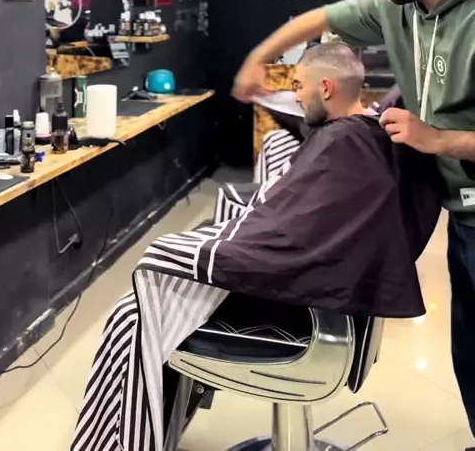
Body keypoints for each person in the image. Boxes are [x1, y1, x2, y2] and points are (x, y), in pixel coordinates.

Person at [72, 43, 440, 451]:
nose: (295, 97)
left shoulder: (344, 144)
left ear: (326, 88)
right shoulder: (359, 132)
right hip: (328, 295)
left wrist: (191, 252)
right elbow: (302, 224)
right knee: (172, 270)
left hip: (313, 317)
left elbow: (294, 238)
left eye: (298, 87)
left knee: (137, 305)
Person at [233, 0, 475, 447]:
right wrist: (256, 60)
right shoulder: (396, 5)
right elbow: (318, 20)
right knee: (469, 346)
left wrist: (437, 139)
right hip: (460, 211)